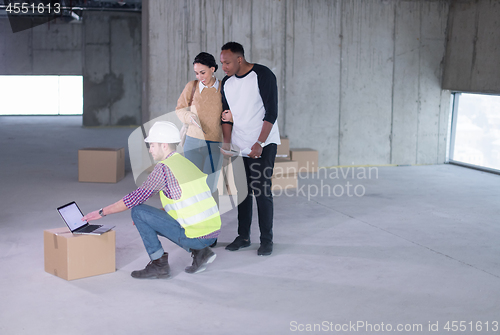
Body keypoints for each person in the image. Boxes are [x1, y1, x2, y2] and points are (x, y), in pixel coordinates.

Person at [82, 121, 221, 279]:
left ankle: (159, 265)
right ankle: (201, 252)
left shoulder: (164, 168)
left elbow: (134, 199)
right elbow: (188, 202)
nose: (150, 150)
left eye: (153, 145)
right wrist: (154, 218)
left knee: (138, 212)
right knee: (146, 215)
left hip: (197, 236)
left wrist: (101, 212)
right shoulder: (184, 163)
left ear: (164, 146)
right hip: (211, 232)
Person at [219, 42, 280, 256]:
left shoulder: (263, 75)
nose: (224, 67)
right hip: (240, 143)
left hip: (263, 142)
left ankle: (266, 240)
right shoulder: (227, 83)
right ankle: (243, 236)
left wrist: (260, 143)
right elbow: (225, 115)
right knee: (243, 193)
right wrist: (227, 143)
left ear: (239, 59)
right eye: (221, 63)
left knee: (262, 192)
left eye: (227, 62)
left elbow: (271, 112)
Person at [176, 52, 223, 206]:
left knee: (210, 188)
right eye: (196, 73)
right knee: (191, 187)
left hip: (215, 144)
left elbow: (234, 113)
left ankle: (210, 226)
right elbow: (180, 109)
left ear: (213, 69)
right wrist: (188, 116)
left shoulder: (224, 88)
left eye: (203, 72)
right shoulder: (192, 87)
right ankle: (192, 225)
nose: (199, 76)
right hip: (192, 142)